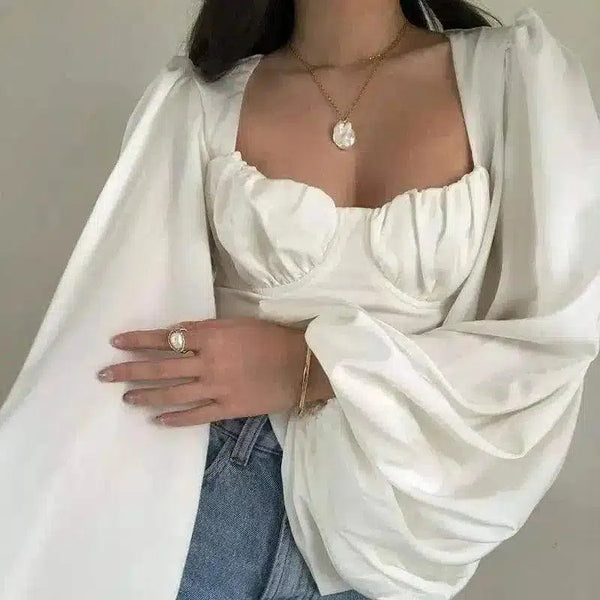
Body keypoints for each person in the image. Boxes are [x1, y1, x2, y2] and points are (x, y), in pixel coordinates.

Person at [1, 1, 599, 600]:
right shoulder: (197, 102)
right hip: (210, 497)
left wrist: (309, 364)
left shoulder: (516, 79)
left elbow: (554, 343)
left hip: (404, 527)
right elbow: (109, 342)